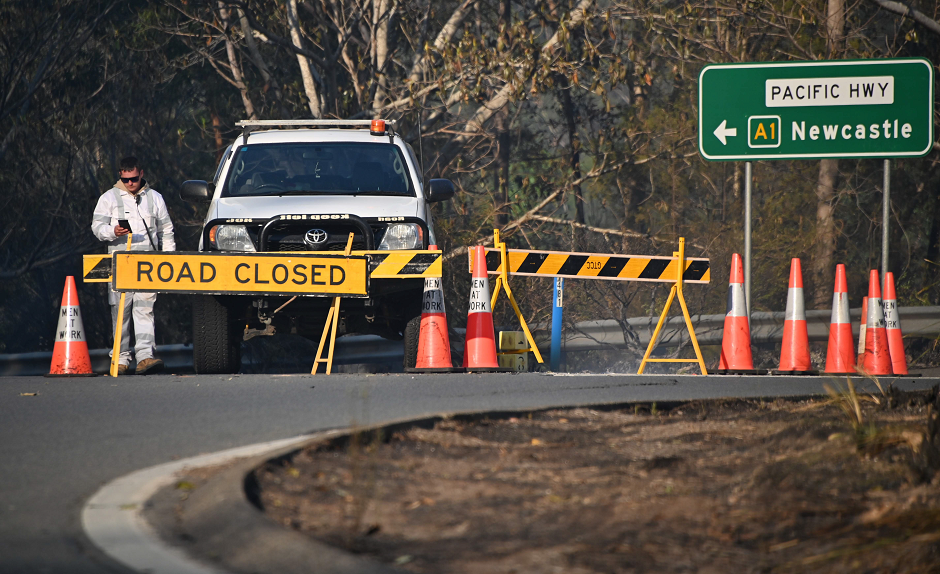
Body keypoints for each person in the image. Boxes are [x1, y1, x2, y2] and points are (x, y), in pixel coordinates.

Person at [91, 157, 176, 375]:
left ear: (142, 174)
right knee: (120, 311)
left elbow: (166, 230)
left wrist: (169, 260)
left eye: (134, 179)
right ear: (120, 176)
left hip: (147, 265)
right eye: (125, 179)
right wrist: (113, 231)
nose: (130, 183)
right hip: (120, 264)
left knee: (144, 309)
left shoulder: (155, 198)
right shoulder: (108, 198)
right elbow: (97, 226)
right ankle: (119, 359)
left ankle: (145, 357)